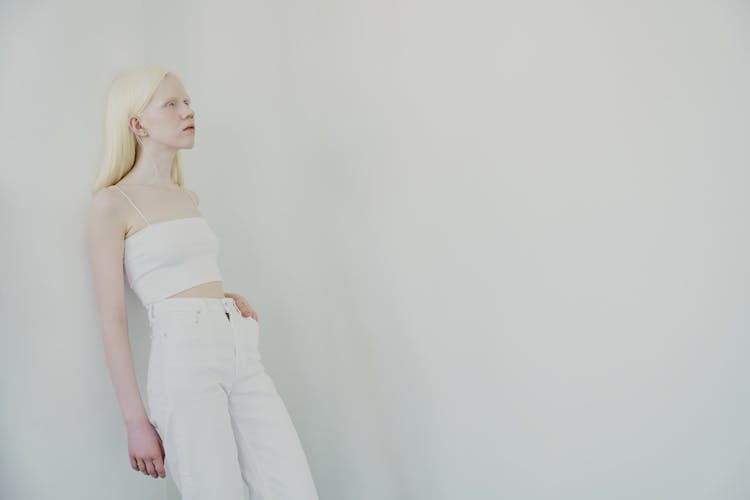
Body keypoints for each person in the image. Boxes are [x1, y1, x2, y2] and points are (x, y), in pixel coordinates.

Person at [87, 65, 319, 500]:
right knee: (216, 492)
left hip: (239, 348)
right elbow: (112, 318)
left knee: (292, 487)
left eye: (188, 101)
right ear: (137, 124)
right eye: (171, 104)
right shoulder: (111, 205)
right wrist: (135, 421)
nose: (187, 111)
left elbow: (181, 272)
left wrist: (222, 299)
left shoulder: (187, 197)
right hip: (185, 359)